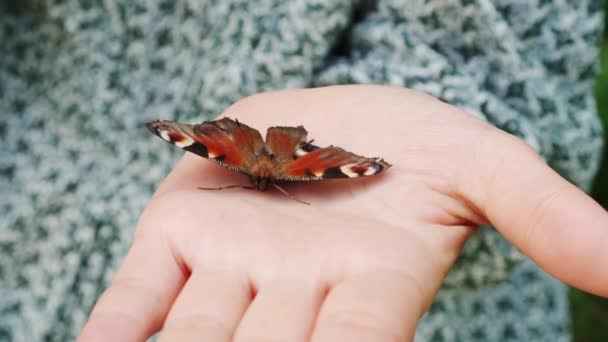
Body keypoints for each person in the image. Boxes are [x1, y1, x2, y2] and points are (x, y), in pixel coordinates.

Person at [0, 1, 605, 341]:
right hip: (32, 179)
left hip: (396, 298)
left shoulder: (252, 167)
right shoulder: (287, 170)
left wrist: (414, 110)